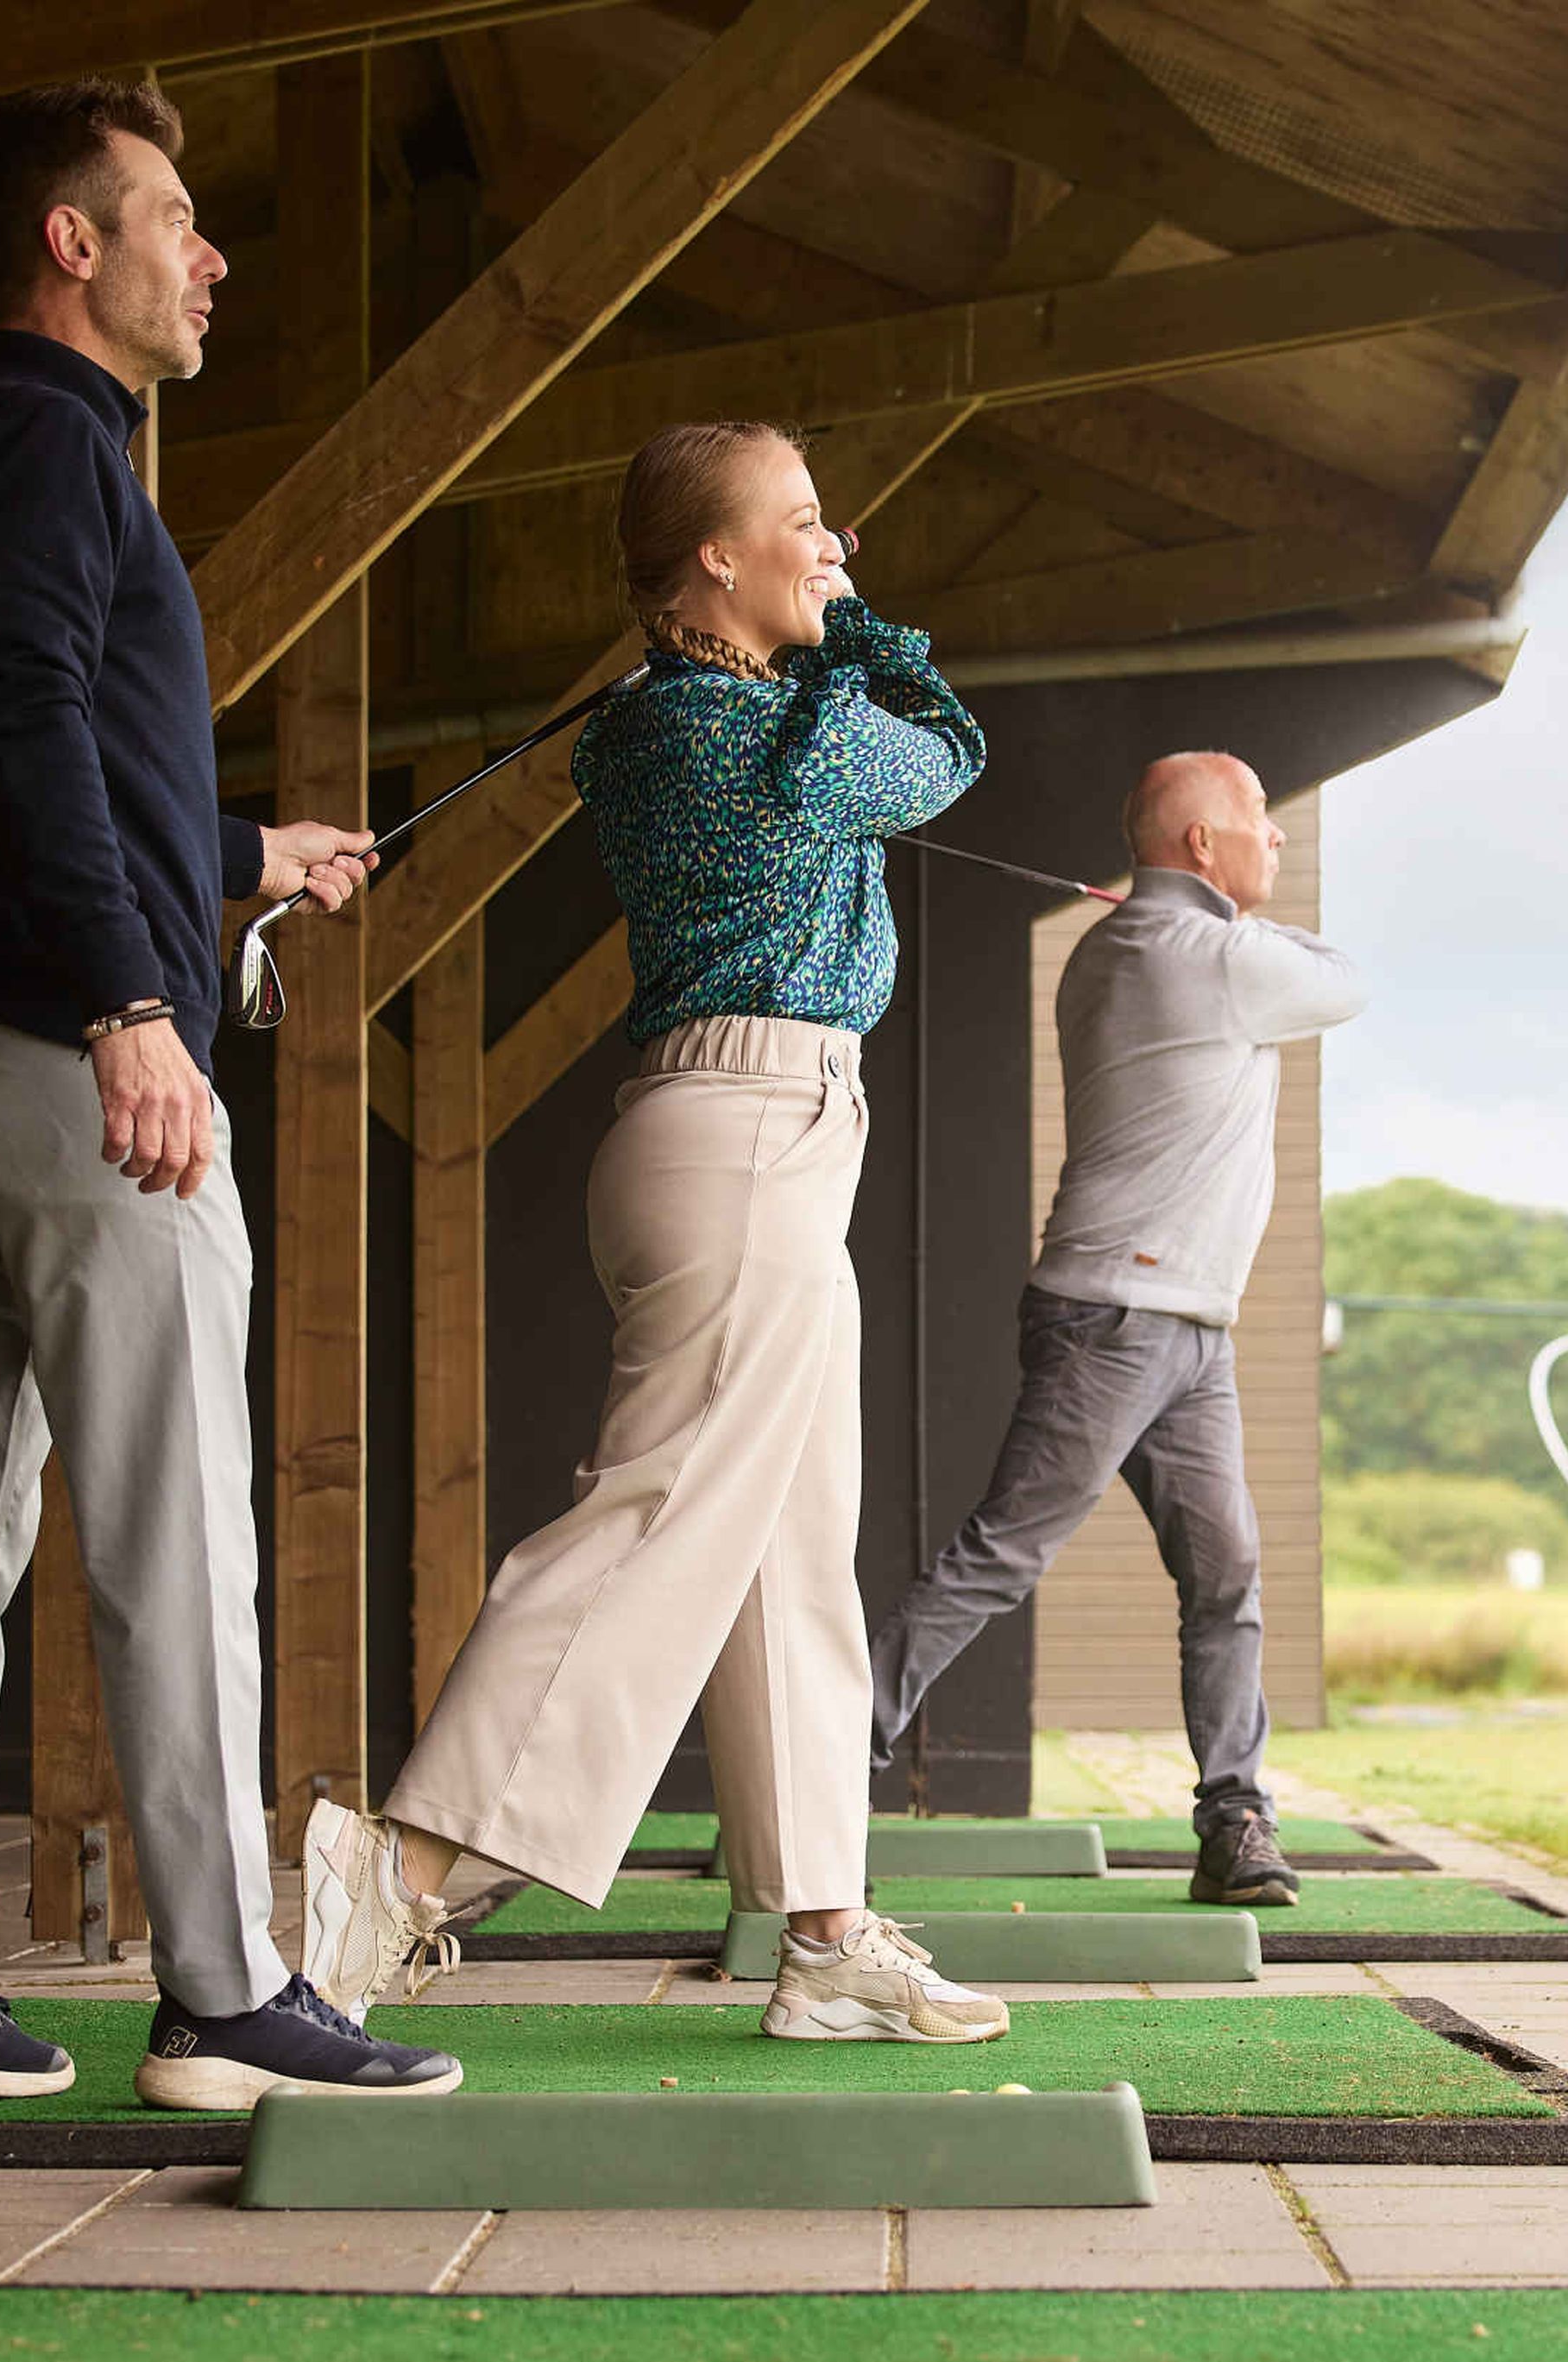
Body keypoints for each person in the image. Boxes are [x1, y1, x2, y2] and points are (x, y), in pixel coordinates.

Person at [0, 81, 457, 2112]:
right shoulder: (47, 449)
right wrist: (130, 991)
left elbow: (31, 766)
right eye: (177, 219)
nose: (213, 258)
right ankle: (220, 1996)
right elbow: (22, 723)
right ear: (71, 246)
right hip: (72, 1066)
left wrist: (229, 862)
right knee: (178, 1539)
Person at [301, 421, 1011, 2044]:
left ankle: (824, 1933)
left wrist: (828, 612)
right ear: (716, 557)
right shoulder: (731, 728)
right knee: (661, 1512)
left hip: (758, 1136)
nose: (835, 550)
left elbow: (882, 729)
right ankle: (395, 1876)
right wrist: (872, 624)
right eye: (809, 526)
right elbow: (942, 748)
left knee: (784, 1547)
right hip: (750, 1131)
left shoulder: (699, 712)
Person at [870, 752, 1364, 1905]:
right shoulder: (1201, 954)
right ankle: (825, 1757)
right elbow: (1344, 982)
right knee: (1004, 1552)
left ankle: (1235, 1819)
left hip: (1189, 1325)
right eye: (1258, 823)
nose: (1276, 842)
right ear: (1199, 844)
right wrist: (1192, 919)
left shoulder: (1130, 945)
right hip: (1118, 1318)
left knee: (1226, 1570)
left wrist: (1166, 908)